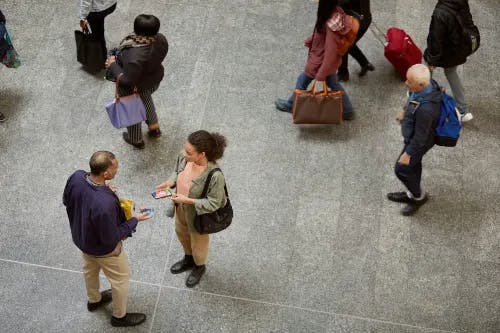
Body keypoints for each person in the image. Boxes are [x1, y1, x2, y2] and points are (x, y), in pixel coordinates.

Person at [63, 151, 152, 327]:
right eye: (115, 167)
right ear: (105, 173)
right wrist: (135, 220)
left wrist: (104, 189)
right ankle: (119, 316)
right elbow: (111, 237)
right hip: (104, 251)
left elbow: (68, 201)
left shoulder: (76, 177)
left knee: (90, 270)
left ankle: (94, 300)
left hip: (82, 241)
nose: (117, 169)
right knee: (121, 279)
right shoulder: (104, 204)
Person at [155, 130, 228, 288]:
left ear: (201, 154)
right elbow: (177, 172)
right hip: (180, 209)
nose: (184, 153)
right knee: (181, 233)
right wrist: (170, 182)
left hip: (198, 216)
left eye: (189, 152)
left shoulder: (215, 175)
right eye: (185, 148)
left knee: (199, 244)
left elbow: (215, 203)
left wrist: (188, 200)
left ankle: (199, 267)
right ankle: (188, 259)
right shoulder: (185, 158)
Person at [275, 0, 356, 120]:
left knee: (302, 80)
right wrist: (311, 40)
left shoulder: (330, 25)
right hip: (323, 62)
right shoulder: (335, 12)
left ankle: (292, 104)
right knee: (333, 84)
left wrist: (320, 76)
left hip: (319, 63)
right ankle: (348, 110)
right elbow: (320, 35)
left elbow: (330, 53)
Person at [106, 14, 168, 149]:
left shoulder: (135, 55)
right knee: (145, 98)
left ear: (136, 29)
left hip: (134, 86)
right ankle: (154, 127)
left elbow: (127, 80)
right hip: (152, 81)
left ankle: (136, 139)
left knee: (132, 108)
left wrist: (113, 65)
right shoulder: (161, 40)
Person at [387, 64, 442, 216]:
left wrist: (409, 153)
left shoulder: (426, 110)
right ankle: (412, 192)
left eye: (409, 82)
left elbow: (421, 137)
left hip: (418, 142)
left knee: (402, 169)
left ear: (421, 84)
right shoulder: (426, 87)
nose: (406, 83)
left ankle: (418, 197)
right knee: (413, 166)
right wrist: (405, 110)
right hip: (414, 137)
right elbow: (413, 97)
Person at [424, 0, 474, 122]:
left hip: (446, 49)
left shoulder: (440, 12)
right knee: (451, 72)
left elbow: (435, 39)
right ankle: (463, 110)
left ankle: (421, 100)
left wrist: (431, 60)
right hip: (458, 47)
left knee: (426, 66)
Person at [337, 0, 375, 81]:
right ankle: (365, 64)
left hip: (356, 22)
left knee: (342, 44)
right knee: (348, 44)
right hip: (364, 20)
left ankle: (343, 74)